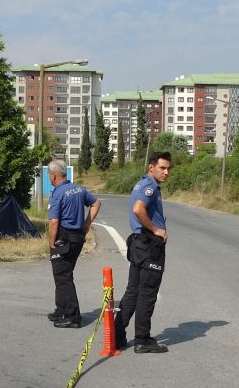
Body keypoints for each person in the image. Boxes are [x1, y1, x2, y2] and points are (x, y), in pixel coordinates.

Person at [115, 151, 173, 354]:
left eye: (168, 168)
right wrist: (156, 230)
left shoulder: (140, 184)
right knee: (147, 293)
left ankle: (116, 335)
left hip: (139, 243)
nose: (166, 172)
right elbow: (138, 209)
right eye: (162, 168)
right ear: (151, 167)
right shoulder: (150, 186)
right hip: (149, 245)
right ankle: (142, 339)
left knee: (133, 290)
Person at [45, 159, 101, 328]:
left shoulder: (58, 193)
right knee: (63, 273)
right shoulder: (78, 188)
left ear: (54, 176)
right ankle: (61, 309)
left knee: (63, 277)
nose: (49, 178)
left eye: (49, 175)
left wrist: (51, 242)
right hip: (77, 237)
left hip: (64, 237)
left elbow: (54, 221)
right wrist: (86, 223)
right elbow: (96, 203)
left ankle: (71, 316)